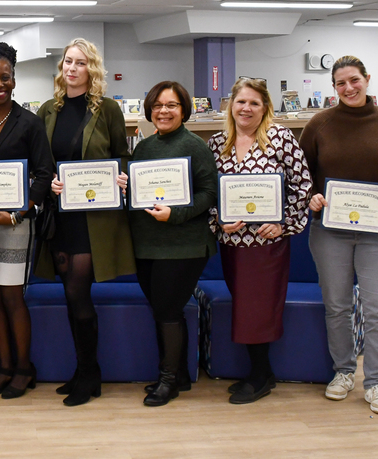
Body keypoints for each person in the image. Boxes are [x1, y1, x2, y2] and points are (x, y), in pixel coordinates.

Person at [298, 56, 378, 415]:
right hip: (330, 231)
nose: (349, 88)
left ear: (367, 79)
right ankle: (343, 372)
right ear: (333, 87)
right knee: (337, 306)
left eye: (354, 80)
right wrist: (312, 195)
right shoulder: (319, 123)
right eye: (341, 83)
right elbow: (302, 173)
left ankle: (376, 384)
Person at [37, 37, 134, 407]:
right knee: (69, 293)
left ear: (91, 69)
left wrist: (122, 176)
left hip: (94, 219)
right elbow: (42, 163)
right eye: (68, 61)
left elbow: (121, 155)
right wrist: (50, 182)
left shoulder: (107, 109)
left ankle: (91, 373)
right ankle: (82, 371)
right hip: (61, 215)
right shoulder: (48, 110)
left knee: (78, 292)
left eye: (80, 62)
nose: (72, 68)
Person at [207, 77, 311, 404]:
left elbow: (302, 186)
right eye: (241, 102)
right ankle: (261, 372)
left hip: (266, 243)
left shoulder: (280, 138)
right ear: (230, 105)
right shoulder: (218, 143)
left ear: (265, 107)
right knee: (244, 305)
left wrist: (283, 223)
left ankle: (261, 375)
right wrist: (219, 219)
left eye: (254, 103)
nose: (246, 108)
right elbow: (208, 191)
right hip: (232, 243)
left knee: (259, 308)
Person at [0, 43, 54, 399]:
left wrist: (19, 212)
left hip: (16, 224)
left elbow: (44, 174)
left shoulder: (29, 122)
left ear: (14, 79)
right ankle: (3, 368)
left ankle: (23, 368)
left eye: (5, 77)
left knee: (13, 297)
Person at [129, 81, 218, 407]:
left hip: (184, 245)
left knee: (167, 309)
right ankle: (178, 374)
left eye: (171, 105)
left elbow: (210, 193)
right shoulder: (143, 148)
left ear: (184, 110)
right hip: (147, 245)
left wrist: (176, 213)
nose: (163, 111)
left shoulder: (195, 145)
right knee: (164, 310)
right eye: (158, 106)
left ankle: (168, 381)